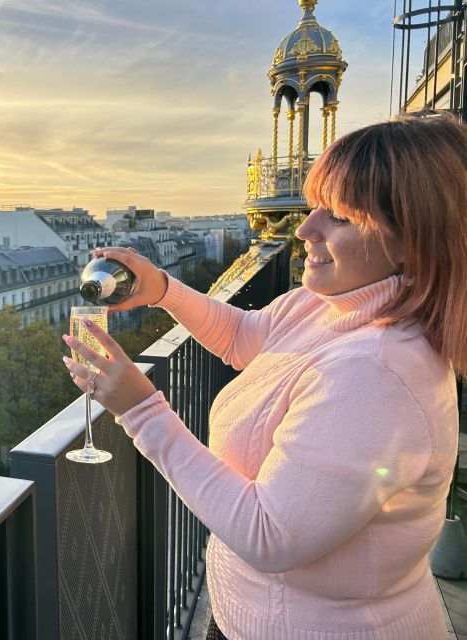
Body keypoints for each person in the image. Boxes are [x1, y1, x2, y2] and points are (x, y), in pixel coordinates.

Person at [62, 113, 466, 639]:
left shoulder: (378, 373)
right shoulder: (327, 305)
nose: (305, 229)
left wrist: (142, 412)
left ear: (414, 240)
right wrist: (162, 289)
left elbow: (270, 535)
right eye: (315, 205)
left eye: (339, 216)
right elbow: (243, 336)